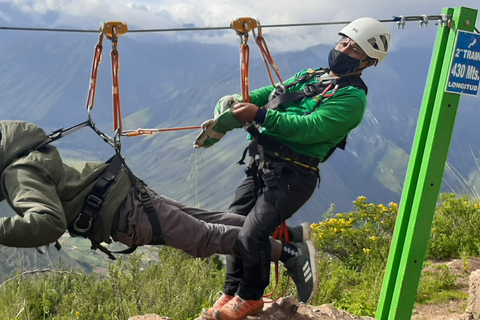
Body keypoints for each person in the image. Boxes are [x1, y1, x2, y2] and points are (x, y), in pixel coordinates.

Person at [194, 17, 392, 320]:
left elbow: (310, 129)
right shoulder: (311, 75)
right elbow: (273, 95)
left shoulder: (352, 98)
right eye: (343, 42)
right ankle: (231, 291)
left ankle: (251, 297)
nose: (343, 49)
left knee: (252, 234)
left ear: (367, 62)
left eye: (353, 49)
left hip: (294, 176)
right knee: (233, 225)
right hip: (264, 166)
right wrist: (240, 104)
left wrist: (258, 115)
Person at [0, 120, 313, 306]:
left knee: (203, 238)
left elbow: (48, 223)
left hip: (124, 213)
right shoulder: (33, 153)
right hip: (122, 190)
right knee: (208, 221)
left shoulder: (18, 172)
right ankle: (287, 236)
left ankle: (288, 252)